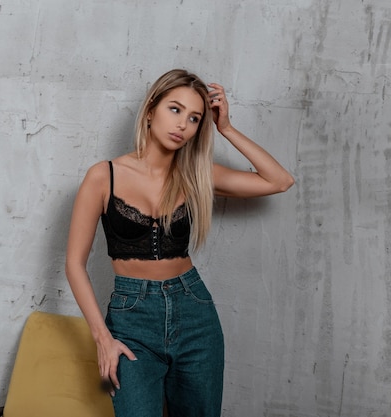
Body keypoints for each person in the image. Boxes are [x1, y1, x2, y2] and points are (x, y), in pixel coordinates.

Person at [65, 69, 294, 417]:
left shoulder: (198, 174)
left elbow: (279, 181)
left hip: (194, 312)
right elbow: (74, 264)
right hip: (131, 319)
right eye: (175, 109)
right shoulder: (104, 176)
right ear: (151, 109)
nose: (182, 124)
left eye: (194, 118)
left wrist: (226, 128)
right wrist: (103, 339)